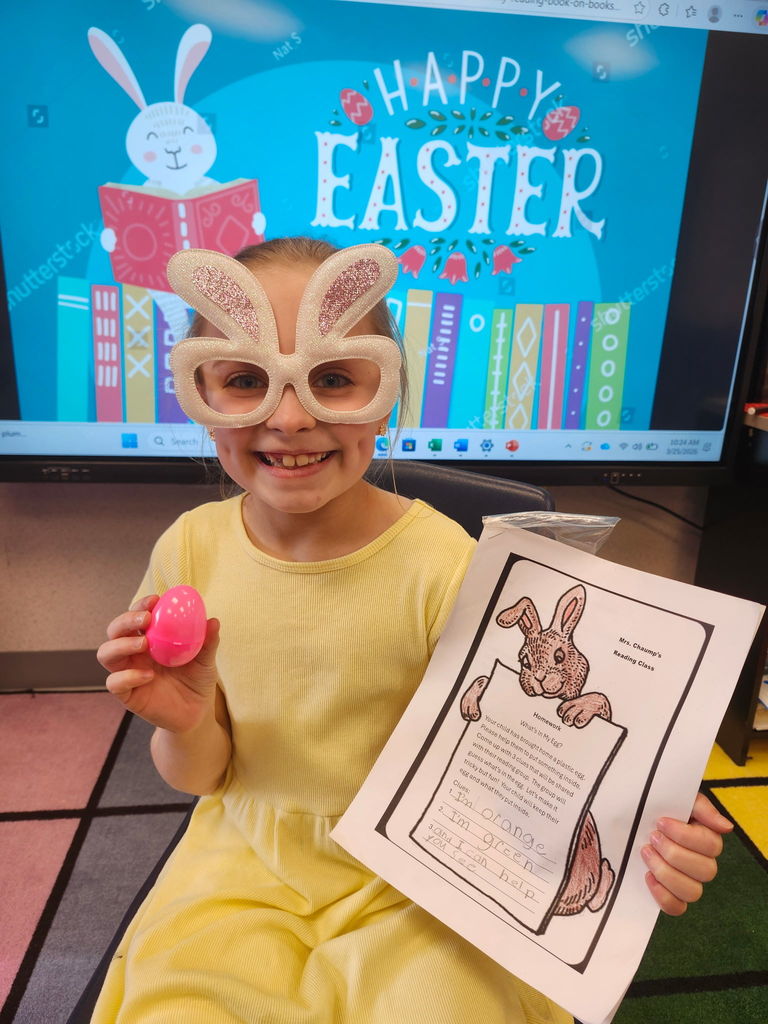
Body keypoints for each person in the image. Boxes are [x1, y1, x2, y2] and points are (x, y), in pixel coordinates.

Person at [92, 237, 732, 1024]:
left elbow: (536, 753)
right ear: (200, 392)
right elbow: (201, 777)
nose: (290, 417)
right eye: (245, 381)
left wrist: (647, 816)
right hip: (244, 860)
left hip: (422, 868)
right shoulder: (188, 548)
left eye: (332, 378)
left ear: (385, 389)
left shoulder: (452, 567)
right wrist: (186, 720)